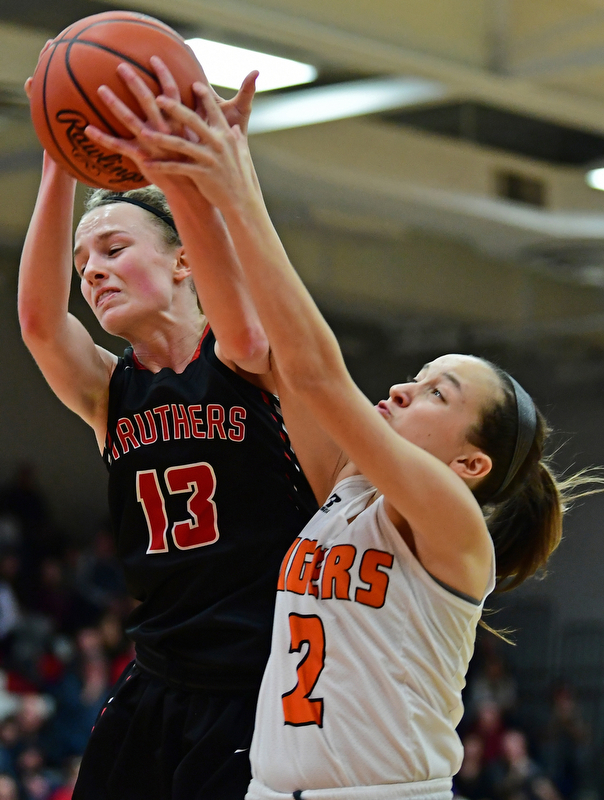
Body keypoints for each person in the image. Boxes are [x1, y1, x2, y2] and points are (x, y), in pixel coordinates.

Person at [106, 85, 602, 800]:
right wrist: (188, 182)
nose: (403, 390)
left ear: (471, 463)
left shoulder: (454, 525)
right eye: (418, 376)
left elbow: (319, 373)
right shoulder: (345, 485)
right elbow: (267, 349)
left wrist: (236, 181)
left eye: (438, 395)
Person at [18, 57, 317, 799]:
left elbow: (241, 315)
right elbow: (38, 322)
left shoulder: (246, 357)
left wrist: (183, 175)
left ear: (184, 261)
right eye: (85, 264)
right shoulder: (108, 391)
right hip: (154, 674)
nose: (93, 272)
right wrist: (59, 167)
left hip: (254, 677)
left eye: (114, 250)